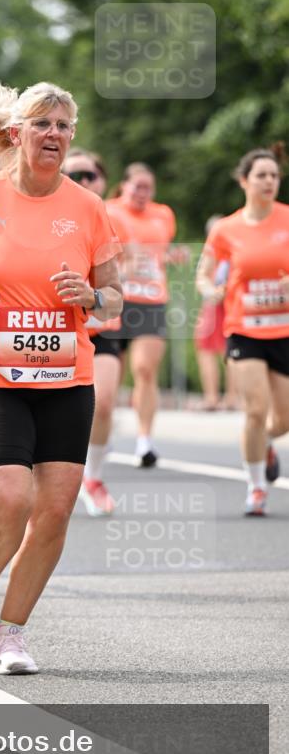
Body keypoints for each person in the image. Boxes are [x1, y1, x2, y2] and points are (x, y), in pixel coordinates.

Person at [0, 78, 122, 674]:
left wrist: (92, 294)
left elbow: (115, 299)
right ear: (17, 133)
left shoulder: (88, 209)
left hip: (66, 374)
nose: (55, 135)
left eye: (64, 126)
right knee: (8, 496)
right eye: (44, 123)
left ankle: (11, 636)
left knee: (57, 508)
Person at [196, 145, 289, 516]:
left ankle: (263, 441)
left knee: (282, 418)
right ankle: (256, 488)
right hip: (244, 329)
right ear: (244, 181)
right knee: (255, 409)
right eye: (261, 175)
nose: (269, 181)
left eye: (274, 175)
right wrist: (210, 290)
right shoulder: (225, 229)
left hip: (283, 329)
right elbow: (204, 272)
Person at [106, 164, 189, 467]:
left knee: (144, 369)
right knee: (111, 374)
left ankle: (144, 441)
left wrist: (172, 256)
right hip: (116, 299)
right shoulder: (108, 211)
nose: (142, 193)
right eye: (136, 187)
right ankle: (105, 429)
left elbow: (160, 252)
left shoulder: (163, 215)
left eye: (147, 188)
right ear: (124, 186)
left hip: (151, 300)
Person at [62, 149, 126, 515]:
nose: (84, 182)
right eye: (76, 175)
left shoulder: (114, 216)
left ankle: (94, 476)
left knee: (103, 404)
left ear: (102, 179)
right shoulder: (51, 212)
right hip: (60, 329)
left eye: (91, 175)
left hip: (102, 324)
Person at [193, 215, 237, 411]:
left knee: (208, 349)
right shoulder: (236, 248)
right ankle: (231, 397)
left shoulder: (217, 252)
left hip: (217, 304)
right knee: (230, 352)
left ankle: (213, 397)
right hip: (231, 304)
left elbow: (214, 280)